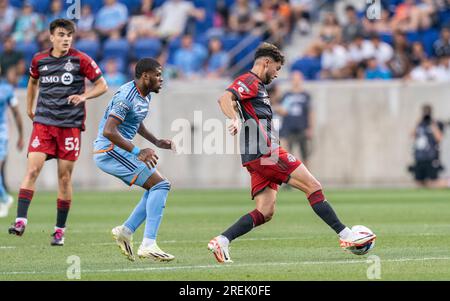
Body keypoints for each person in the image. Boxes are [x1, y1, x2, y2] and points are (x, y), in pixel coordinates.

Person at [208, 42, 376, 263]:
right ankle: (347, 236)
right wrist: (234, 118)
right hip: (266, 152)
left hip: (255, 156)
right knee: (313, 186)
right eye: (277, 69)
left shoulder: (259, 87)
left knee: (265, 211)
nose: (277, 74)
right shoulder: (249, 80)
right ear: (266, 63)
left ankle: (222, 241)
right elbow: (225, 98)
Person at [7, 19, 108, 246]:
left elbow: (103, 85)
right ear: (51, 37)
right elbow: (33, 83)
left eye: (69, 35)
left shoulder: (81, 59)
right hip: (43, 124)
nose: (66, 39)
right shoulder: (39, 60)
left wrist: (83, 96)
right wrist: (28, 107)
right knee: (32, 169)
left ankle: (59, 230)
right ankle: (21, 220)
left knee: (64, 179)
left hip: (69, 127)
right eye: (61, 35)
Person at [93, 58, 175, 262]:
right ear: (145, 76)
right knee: (161, 185)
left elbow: (136, 121)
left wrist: (156, 141)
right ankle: (148, 244)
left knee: (156, 187)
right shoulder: (125, 97)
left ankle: (126, 232)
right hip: (108, 150)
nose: (161, 79)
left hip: (117, 149)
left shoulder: (145, 95)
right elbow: (109, 130)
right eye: (157, 75)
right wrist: (138, 151)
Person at [0, 66, 24, 217]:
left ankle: (4, 198)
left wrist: (21, 136)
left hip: (1, 133)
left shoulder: (7, 89)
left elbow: (16, 113)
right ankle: (5, 198)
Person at [277, 71, 314, 167]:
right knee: (288, 155)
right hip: (289, 128)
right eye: (294, 79)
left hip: (302, 127)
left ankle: (307, 178)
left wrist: (310, 128)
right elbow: (280, 110)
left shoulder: (306, 95)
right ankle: (290, 178)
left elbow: (310, 112)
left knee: (305, 154)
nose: (296, 81)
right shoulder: (287, 95)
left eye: (298, 79)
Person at [410, 104, 447, 188]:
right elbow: (412, 135)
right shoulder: (420, 124)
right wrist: (417, 123)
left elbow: (439, 138)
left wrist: (433, 125)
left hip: (431, 156)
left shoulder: (436, 123)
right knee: (419, 182)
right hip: (419, 157)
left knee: (433, 181)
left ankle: (447, 183)